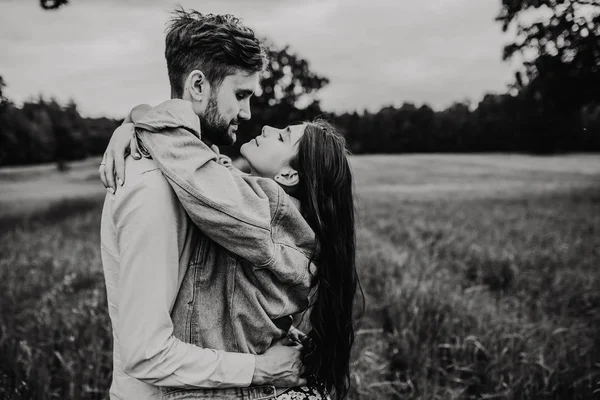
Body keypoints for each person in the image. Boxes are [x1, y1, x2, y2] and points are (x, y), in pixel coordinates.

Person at [98, 9, 306, 400]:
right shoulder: (154, 189)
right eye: (240, 95)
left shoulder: (202, 176)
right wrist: (261, 369)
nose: (247, 114)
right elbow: (145, 355)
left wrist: (137, 118)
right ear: (198, 85)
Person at [102, 98, 360, 400]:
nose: (266, 127)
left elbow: (187, 162)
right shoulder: (279, 217)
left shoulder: (268, 214)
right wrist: (132, 123)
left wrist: (138, 119)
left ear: (288, 176)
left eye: (282, 136)